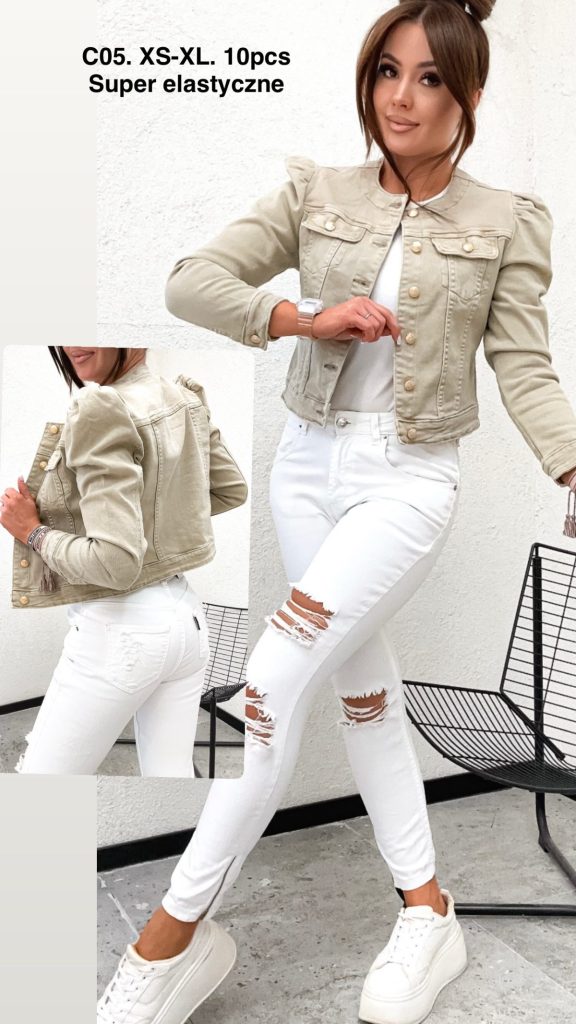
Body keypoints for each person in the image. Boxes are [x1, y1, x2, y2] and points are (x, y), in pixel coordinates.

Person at [98, 1, 576, 1021]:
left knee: (269, 685)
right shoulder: (315, 192)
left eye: (431, 79)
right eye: (386, 72)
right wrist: (301, 316)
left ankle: (170, 937)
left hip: (409, 481)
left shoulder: (506, 221)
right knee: (363, 690)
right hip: (307, 469)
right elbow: (191, 283)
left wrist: (573, 467)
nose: (401, 99)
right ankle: (428, 909)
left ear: (470, 94)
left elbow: (524, 366)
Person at [0, 346, 248, 776]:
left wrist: (32, 532)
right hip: (186, 622)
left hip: (119, 632)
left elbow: (115, 564)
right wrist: (149, 527)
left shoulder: (101, 408)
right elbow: (230, 490)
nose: (74, 344)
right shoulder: (183, 397)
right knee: (170, 776)